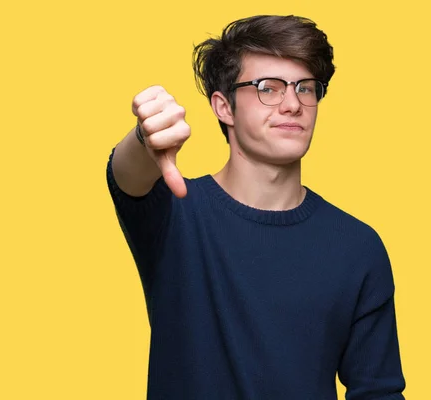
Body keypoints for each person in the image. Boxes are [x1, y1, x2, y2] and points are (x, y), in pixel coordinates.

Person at [105, 15, 406, 399]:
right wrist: (144, 136)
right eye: (268, 88)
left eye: (306, 88)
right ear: (223, 107)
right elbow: (126, 177)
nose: (293, 104)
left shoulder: (358, 247)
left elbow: (377, 392)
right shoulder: (176, 214)